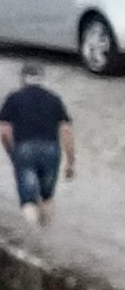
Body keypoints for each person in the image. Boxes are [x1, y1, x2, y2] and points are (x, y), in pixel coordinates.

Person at [4, 68, 73, 225]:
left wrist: (11, 152)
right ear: (41, 79)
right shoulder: (54, 99)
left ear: (22, 79)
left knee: (28, 200)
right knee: (47, 197)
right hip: (51, 150)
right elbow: (66, 130)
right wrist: (70, 161)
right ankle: (46, 234)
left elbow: (5, 131)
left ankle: (33, 239)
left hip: (24, 149)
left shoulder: (14, 98)